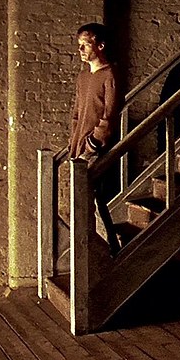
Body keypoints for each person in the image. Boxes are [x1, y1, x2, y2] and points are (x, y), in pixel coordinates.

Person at [70, 22, 123, 255]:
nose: (80, 50)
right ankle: (97, 250)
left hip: (96, 150)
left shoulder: (109, 75)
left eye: (86, 44)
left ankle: (109, 249)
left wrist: (92, 144)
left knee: (95, 200)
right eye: (79, 45)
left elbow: (109, 116)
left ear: (100, 46)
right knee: (84, 201)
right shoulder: (83, 77)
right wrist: (74, 143)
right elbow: (76, 113)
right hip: (79, 148)